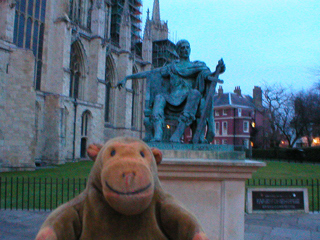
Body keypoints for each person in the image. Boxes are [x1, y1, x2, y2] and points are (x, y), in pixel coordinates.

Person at [117, 39, 225, 143]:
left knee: (195, 93)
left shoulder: (197, 66)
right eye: (182, 48)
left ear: (190, 50)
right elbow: (150, 73)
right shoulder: (171, 67)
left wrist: (219, 70)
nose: (185, 50)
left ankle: (178, 133)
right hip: (172, 98)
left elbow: (209, 76)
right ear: (178, 51)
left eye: (187, 48)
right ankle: (158, 134)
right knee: (159, 98)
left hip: (188, 99)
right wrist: (127, 78)